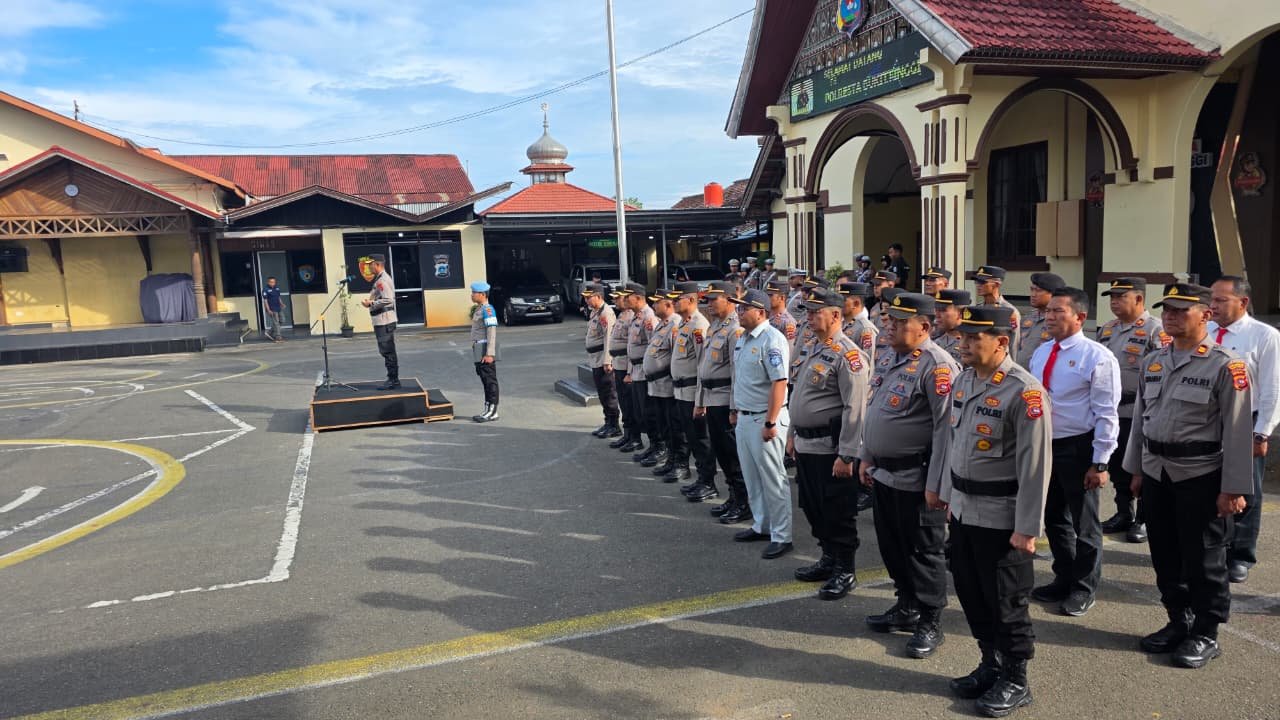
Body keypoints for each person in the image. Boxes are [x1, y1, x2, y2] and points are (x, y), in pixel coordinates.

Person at [1124, 283, 1252, 668]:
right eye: (1168, 309)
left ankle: (1206, 632)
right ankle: (1179, 620)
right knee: (1164, 553)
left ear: (1206, 316)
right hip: (1157, 471)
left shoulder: (1226, 365)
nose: (1171, 316)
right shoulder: (1155, 361)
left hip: (1200, 475)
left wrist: (1233, 487)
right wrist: (1135, 470)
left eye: (1182, 310)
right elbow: (1140, 424)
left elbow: (1238, 430)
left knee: (1204, 559)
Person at [940, 304, 1051, 717]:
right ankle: (991, 662)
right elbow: (954, 444)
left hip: (1002, 516)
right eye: (963, 336)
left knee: (1007, 601)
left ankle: (1016, 677)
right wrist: (949, 496)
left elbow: (1035, 467)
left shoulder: (1025, 392)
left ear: (1002, 342)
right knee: (971, 592)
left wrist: (1027, 529)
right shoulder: (965, 380)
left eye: (974, 338)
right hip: (966, 510)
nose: (963, 343)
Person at [861, 292, 958, 658]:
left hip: (917, 480)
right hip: (885, 475)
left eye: (900, 322)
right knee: (891, 546)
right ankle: (906, 604)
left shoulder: (939, 366)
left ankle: (930, 620)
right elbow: (875, 408)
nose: (890, 326)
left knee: (923, 552)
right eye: (890, 320)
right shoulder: (890, 357)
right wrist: (866, 455)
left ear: (924, 327)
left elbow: (945, 431)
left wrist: (937, 485)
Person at [1026, 287, 1120, 617]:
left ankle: (1084, 587)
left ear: (1079, 317)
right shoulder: (1042, 352)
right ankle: (1063, 577)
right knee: (1053, 518)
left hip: (1079, 448)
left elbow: (1106, 412)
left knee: (1085, 524)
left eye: (1058, 312)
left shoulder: (1097, 357)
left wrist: (1100, 461)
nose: (1049, 317)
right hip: (1044, 446)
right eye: (1048, 311)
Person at [785, 287, 868, 598]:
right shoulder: (811, 348)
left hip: (830, 449)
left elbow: (855, 408)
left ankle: (845, 568)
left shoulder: (848, 355)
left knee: (837, 511)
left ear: (836, 315)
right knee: (812, 506)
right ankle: (828, 557)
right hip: (806, 445)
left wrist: (847, 455)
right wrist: (792, 434)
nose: (808, 317)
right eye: (806, 311)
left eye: (814, 312)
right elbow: (800, 396)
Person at [1207, 275, 1280, 584]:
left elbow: (1272, 388)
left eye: (1221, 300)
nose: (1213, 306)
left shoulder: (1264, 336)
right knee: (1211, 484)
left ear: (1243, 302)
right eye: (1212, 299)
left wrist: (1262, 432)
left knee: (1247, 489)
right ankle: (1215, 546)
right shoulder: (1206, 331)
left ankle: (1241, 554)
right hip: (1209, 420)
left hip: (1245, 422)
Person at [1097, 277, 1168, 543]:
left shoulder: (1155, 330)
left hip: (1137, 411)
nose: (1114, 302)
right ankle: (1123, 512)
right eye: (1112, 298)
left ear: (1139, 299)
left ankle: (1142, 519)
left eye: (1120, 297)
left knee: (1140, 466)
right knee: (1117, 467)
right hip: (1110, 411)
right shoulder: (1107, 329)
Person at [728, 289, 793, 559]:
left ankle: (782, 534)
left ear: (761, 312)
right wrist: (734, 409)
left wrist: (770, 421)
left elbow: (779, 382)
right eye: (739, 308)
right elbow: (740, 378)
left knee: (773, 478)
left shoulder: (772, 339)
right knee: (752, 477)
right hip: (745, 416)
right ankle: (762, 525)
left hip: (764, 419)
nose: (739, 312)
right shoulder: (743, 338)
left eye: (744, 308)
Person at [696, 281, 750, 523]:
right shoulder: (714, 326)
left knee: (732, 454)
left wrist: (733, 406)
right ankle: (732, 495)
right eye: (706, 299)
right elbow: (704, 366)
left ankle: (743, 500)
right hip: (711, 398)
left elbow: (736, 371)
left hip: (725, 399)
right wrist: (700, 400)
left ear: (729, 300)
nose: (708, 303)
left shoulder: (735, 329)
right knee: (720, 452)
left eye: (713, 299)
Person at [669, 281, 716, 496]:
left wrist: (701, 400)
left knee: (700, 439)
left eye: (678, 299)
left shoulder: (699, 325)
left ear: (691, 300)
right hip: (681, 391)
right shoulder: (685, 323)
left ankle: (708, 482)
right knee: (691, 437)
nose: (674, 303)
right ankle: (701, 479)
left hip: (692, 392)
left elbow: (702, 365)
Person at [644, 289, 687, 478]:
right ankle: (671, 458)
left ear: (668, 305)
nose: (653, 306)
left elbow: (675, 357)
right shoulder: (661, 325)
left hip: (668, 386)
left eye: (657, 302)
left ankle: (680, 463)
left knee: (675, 427)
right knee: (664, 425)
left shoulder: (675, 325)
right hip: (657, 386)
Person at [624, 283, 663, 465]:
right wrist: (630, 371)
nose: (625, 300)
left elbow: (652, 347)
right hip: (637, 371)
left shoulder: (649, 318)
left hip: (646, 373)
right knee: (642, 413)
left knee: (650, 412)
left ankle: (659, 446)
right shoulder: (635, 317)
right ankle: (652, 445)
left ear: (638, 297)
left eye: (628, 296)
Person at [583, 283, 621, 438]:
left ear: (598, 296)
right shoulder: (595, 312)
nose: (586, 300)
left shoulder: (606, 313)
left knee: (608, 392)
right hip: (595, 359)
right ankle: (608, 422)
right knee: (602, 393)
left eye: (588, 297)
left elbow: (608, 338)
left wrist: (608, 360)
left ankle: (614, 425)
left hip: (602, 359)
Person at [607, 289, 641, 451]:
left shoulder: (632, 317)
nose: (616, 301)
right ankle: (627, 435)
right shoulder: (622, 315)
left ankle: (635, 437)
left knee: (630, 403)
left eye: (618, 298)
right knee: (624, 403)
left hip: (627, 367)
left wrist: (629, 371)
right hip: (619, 364)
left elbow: (632, 347)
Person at [361, 254, 399, 390]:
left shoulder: (383, 280)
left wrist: (372, 303)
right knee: (386, 350)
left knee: (388, 351)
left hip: (385, 321)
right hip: (382, 320)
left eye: (370, 264)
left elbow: (388, 299)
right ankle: (392, 379)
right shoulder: (379, 279)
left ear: (377, 264)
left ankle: (393, 380)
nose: (368, 267)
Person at [1016, 273, 1066, 367]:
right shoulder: (1028, 317)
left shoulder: (1060, 321)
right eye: (1032, 290)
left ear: (1053, 294)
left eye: (1038, 291)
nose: (1033, 295)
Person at [467, 282, 500, 422]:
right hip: (478, 348)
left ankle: (493, 411)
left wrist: (490, 353)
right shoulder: (479, 309)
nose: (472, 295)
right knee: (484, 380)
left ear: (482, 294)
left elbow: (491, 332)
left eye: (474, 293)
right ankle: (487, 409)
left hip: (485, 349)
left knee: (490, 380)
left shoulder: (487, 310)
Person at [974, 265, 1022, 360]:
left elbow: (1014, 343)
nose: (978, 285)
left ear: (997, 284)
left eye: (982, 282)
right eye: (977, 281)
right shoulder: (977, 309)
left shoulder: (1009, 311)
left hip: (1000, 360)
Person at [837, 282, 877, 363]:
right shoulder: (840, 324)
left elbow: (867, 361)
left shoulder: (865, 329)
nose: (838, 303)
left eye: (842, 300)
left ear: (856, 303)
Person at [932, 288, 971, 364]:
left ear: (960, 313)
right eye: (936, 310)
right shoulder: (934, 340)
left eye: (942, 310)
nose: (937, 315)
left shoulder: (971, 345)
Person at [262, 276, 285, 342]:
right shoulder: (265, 289)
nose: (273, 283)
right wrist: (268, 310)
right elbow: (265, 301)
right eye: (271, 282)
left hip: (278, 307)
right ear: (268, 282)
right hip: (272, 309)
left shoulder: (277, 288)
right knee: (276, 322)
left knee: (282, 320)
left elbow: (278, 297)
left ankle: (269, 332)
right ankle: (278, 336)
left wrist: (282, 303)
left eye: (274, 282)